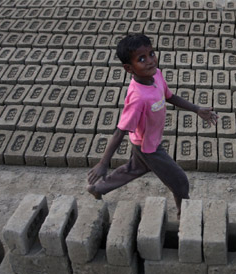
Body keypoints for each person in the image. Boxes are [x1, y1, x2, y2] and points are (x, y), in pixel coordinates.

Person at [87, 34, 218, 219]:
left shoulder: (156, 75)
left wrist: (196, 109)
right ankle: (185, 218)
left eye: (151, 53)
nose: (150, 61)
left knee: (135, 169)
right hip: (148, 147)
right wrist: (103, 162)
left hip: (148, 140)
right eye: (142, 59)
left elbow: (169, 96)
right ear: (128, 68)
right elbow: (120, 131)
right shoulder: (138, 98)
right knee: (179, 181)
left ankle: (97, 188)